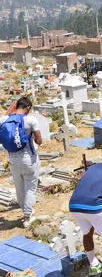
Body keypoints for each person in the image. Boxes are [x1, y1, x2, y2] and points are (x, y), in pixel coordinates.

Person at [1, 97, 42, 227]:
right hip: (28, 158)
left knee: (19, 188)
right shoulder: (30, 120)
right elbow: (39, 141)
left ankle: (25, 211)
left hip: (12, 159)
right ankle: (27, 216)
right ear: (28, 107)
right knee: (30, 188)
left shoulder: (4, 120)